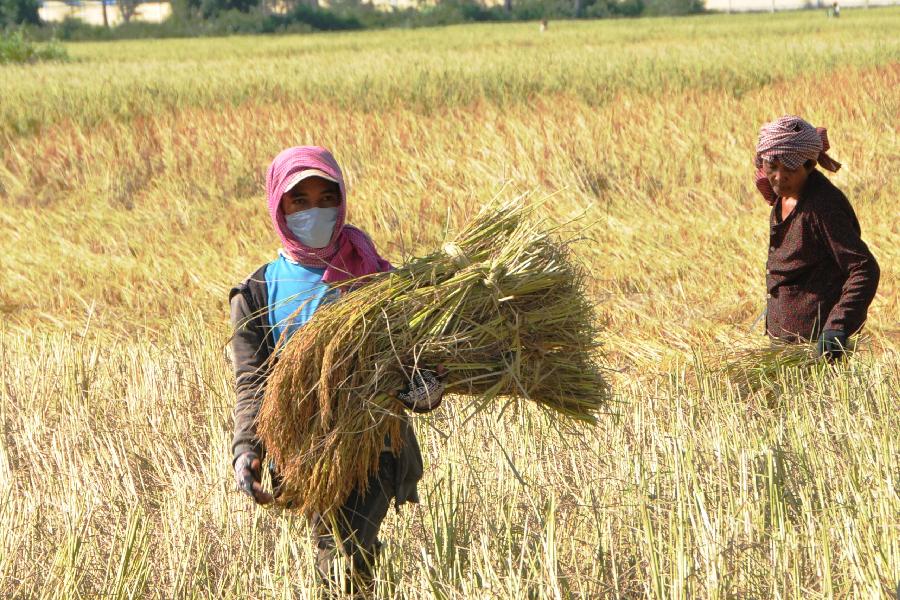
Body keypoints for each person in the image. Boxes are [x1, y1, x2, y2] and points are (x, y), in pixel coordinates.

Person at [229, 146, 445, 594]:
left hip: (376, 442)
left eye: (327, 198)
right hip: (304, 450)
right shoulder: (255, 292)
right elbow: (253, 382)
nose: (316, 211)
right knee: (343, 555)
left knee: (342, 555)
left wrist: (427, 385)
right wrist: (247, 449)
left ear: (343, 199)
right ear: (278, 206)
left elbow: (415, 354)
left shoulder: (373, 276)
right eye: (300, 201)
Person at [754, 115, 879, 360]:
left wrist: (837, 327)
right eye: (772, 167)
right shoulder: (784, 196)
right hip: (785, 344)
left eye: (789, 169)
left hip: (816, 348)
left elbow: (864, 268)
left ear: (810, 165)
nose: (778, 177)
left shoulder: (822, 206)